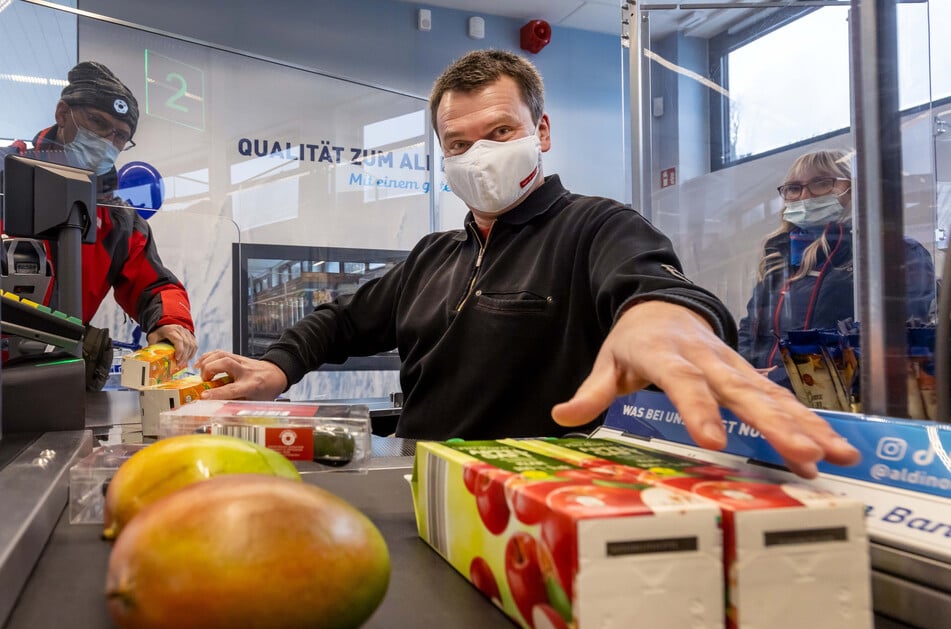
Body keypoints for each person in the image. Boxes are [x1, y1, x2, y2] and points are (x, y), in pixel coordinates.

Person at [197, 49, 860, 479]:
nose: (479, 153)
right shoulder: (434, 256)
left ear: (540, 133)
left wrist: (663, 319)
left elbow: (647, 281)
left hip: (538, 503)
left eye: (501, 132)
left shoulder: (594, 226)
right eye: (458, 143)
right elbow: (339, 322)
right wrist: (276, 367)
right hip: (421, 488)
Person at [3, 61, 198, 388]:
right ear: (62, 113)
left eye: (120, 136)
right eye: (97, 122)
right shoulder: (4, 178)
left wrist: (170, 322)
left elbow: (154, 285)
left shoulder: (118, 219)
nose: (107, 141)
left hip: (56, 380)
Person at [738, 149, 935, 380]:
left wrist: (783, 380)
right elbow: (750, 330)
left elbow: (897, 341)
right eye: (793, 188)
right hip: (763, 395)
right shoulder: (778, 255)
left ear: (854, 189)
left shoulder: (894, 252)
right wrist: (742, 371)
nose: (804, 196)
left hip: (841, 400)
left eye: (821, 183)